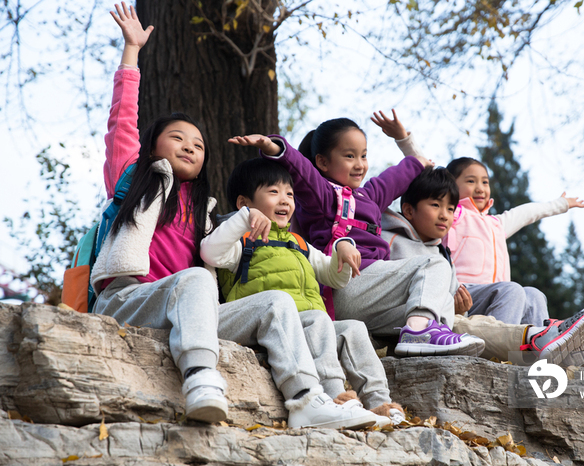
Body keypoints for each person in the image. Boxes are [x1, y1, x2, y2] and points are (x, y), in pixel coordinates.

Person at [94, 4, 375, 430]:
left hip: (191, 307)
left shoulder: (206, 212)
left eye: (199, 144)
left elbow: (217, 253)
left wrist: (248, 222)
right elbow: (122, 124)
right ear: (153, 148)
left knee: (276, 302)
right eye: (178, 138)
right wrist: (131, 53)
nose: (190, 146)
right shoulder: (135, 182)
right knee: (196, 279)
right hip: (131, 299)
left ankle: (306, 400)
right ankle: (202, 379)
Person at [228, 117, 485, 357]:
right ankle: (419, 332)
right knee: (434, 263)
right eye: (349, 156)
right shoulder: (324, 196)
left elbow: (408, 171)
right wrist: (273, 147)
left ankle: (417, 342)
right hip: (345, 284)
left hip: (369, 295)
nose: (360, 164)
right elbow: (301, 171)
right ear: (324, 162)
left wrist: (404, 140)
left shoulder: (370, 196)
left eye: (363, 155)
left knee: (443, 302)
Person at [200, 158, 405, 426]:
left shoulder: (299, 244)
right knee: (319, 320)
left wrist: (343, 248)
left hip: (309, 325)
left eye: (290, 194)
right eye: (273, 192)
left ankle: (381, 403)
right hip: (270, 324)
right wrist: (242, 221)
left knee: (352, 328)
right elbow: (210, 252)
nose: (285, 200)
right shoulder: (241, 240)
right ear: (243, 203)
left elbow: (334, 277)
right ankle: (335, 397)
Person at [381, 166, 584, 365]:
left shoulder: (490, 226)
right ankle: (502, 356)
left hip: (470, 299)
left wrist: (561, 204)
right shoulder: (455, 220)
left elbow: (526, 213)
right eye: (471, 181)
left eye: (485, 182)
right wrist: (405, 140)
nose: (480, 187)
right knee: (511, 290)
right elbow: (417, 177)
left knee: (533, 294)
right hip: (454, 298)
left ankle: (547, 349)